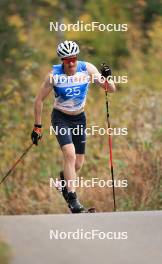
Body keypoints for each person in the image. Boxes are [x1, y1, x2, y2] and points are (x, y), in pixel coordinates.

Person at [31, 40, 116, 213]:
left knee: (77, 164)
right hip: (60, 118)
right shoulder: (54, 76)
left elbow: (111, 89)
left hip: (79, 119)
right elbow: (39, 100)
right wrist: (37, 127)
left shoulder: (87, 69)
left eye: (74, 59)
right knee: (69, 155)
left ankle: (63, 181)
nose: (71, 63)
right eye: (67, 60)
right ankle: (73, 200)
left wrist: (107, 77)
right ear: (61, 60)